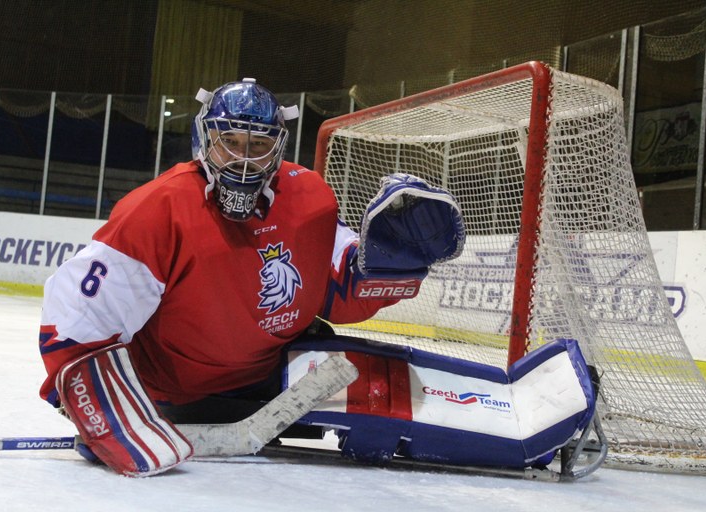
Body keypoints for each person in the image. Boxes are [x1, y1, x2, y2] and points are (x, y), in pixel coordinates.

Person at [36, 78, 464, 477]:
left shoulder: (310, 196)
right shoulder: (158, 209)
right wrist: (92, 403)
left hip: (276, 379)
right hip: (175, 397)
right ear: (205, 140)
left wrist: (392, 260)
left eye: (258, 144)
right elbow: (78, 315)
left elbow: (338, 293)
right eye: (231, 142)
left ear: (277, 148)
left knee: (386, 385)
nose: (244, 157)